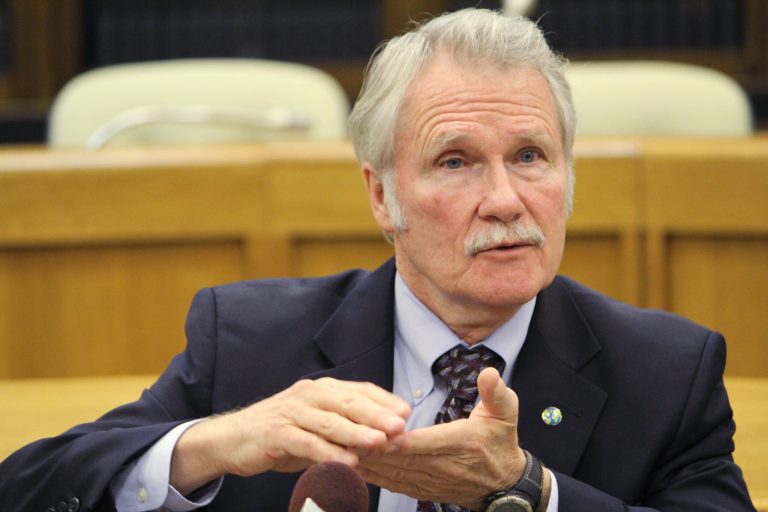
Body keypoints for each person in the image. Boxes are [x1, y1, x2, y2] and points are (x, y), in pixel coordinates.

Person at [0, 8, 755, 512]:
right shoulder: (251, 344)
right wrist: (215, 444)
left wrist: (526, 489)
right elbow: (31, 487)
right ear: (381, 196)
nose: (504, 199)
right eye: (454, 162)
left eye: (530, 155)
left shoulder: (667, 374)